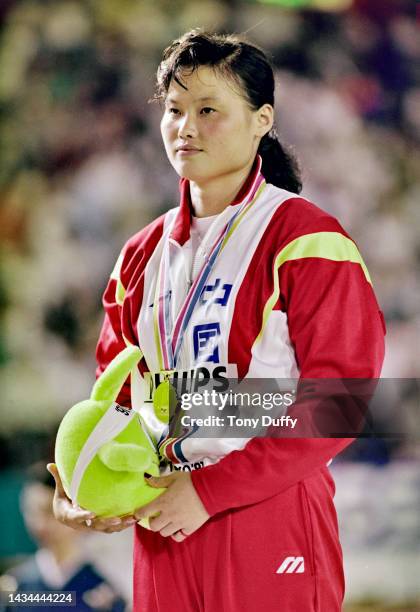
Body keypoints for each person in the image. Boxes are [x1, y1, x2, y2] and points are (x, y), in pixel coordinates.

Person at [47, 29, 385, 611]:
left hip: (266, 510)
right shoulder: (140, 254)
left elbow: (340, 400)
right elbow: (119, 397)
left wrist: (208, 489)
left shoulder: (307, 240)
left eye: (209, 110)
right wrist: (88, 483)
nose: (186, 127)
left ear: (262, 120)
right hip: (161, 520)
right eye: (175, 110)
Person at [0, 462, 127, 612]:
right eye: (32, 512)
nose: (41, 524)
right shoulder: (17, 585)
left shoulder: (107, 584)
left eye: (49, 511)